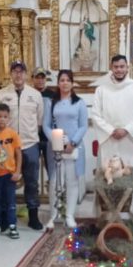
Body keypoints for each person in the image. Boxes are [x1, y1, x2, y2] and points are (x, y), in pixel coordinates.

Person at [0, 61, 44, 230]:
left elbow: (39, 120)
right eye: (15, 71)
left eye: (21, 72)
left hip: (29, 144)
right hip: (7, 146)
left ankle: (33, 215)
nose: (18, 75)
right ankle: (6, 217)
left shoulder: (35, 94)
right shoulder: (1, 94)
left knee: (32, 182)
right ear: (10, 74)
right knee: (5, 182)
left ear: (26, 74)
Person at [91, 55, 133, 204]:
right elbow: (95, 115)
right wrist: (111, 130)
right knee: (107, 175)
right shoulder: (101, 90)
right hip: (108, 139)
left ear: (127, 67)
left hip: (129, 140)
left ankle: (130, 213)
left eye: (122, 66)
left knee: (129, 174)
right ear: (111, 68)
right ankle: (107, 215)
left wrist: (126, 130)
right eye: (116, 67)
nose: (119, 70)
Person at [43, 70, 88, 229]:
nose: (65, 83)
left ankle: (69, 215)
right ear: (58, 83)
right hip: (55, 147)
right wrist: (57, 142)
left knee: (72, 181)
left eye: (68, 80)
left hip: (73, 147)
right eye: (62, 80)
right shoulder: (51, 102)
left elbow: (83, 126)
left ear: (72, 83)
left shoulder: (79, 103)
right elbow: (46, 125)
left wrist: (73, 142)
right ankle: (54, 216)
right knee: (55, 182)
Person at [0, 103, 22, 239]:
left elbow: (18, 154)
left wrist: (17, 171)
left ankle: (12, 225)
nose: (2, 119)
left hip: (9, 174)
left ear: (9, 118)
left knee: (10, 201)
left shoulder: (13, 133)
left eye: (5, 117)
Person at [33, 67, 55, 173]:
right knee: (32, 168)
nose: (40, 80)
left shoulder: (53, 95)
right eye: (37, 78)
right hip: (33, 137)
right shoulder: (29, 94)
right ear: (32, 79)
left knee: (51, 167)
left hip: (48, 138)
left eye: (42, 78)